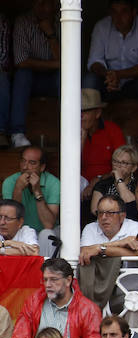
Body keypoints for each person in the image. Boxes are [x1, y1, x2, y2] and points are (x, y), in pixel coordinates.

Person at [8, 0, 60, 150]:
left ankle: (67, 127)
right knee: (22, 75)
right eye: (37, 3)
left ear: (55, 4)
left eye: (45, 3)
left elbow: (68, 61)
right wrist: (56, 64)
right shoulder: (23, 21)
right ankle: (17, 133)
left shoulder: (63, 20)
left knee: (65, 77)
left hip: (54, 79)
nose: (40, 7)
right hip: (31, 79)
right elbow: (21, 61)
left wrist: (50, 34)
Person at [1, 147, 60, 242]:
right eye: (23, 161)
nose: (25, 167)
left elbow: (48, 225)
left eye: (32, 163)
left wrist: (37, 191)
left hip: (45, 232)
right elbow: (10, 219)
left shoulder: (54, 183)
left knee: (47, 234)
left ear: (42, 167)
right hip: (20, 231)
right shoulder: (10, 182)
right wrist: (18, 189)